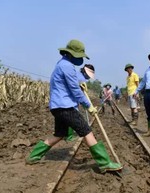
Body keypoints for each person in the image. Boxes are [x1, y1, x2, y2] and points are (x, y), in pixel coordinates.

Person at [26, 40, 122, 173]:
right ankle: (104, 162)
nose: (81, 59)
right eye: (80, 56)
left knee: (60, 134)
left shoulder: (61, 64)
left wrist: (79, 83)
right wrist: (88, 105)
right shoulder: (67, 66)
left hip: (57, 106)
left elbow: (71, 83)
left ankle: (34, 155)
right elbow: (75, 90)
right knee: (86, 131)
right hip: (65, 107)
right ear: (72, 54)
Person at [65, 64, 95, 142]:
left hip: (70, 99)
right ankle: (69, 136)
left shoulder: (78, 75)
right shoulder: (81, 78)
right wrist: (88, 105)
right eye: (88, 75)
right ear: (85, 72)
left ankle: (66, 134)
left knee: (70, 118)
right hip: (71, 100)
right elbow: (80, 94)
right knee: (73, 117)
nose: (89, 77)